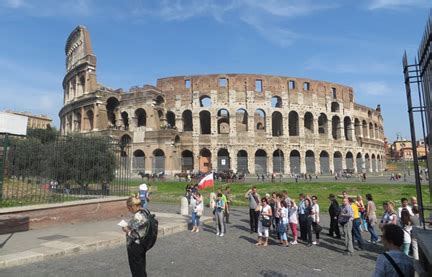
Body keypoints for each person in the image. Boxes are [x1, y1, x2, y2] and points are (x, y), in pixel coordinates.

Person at [123, 196, 149, 277]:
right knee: (141, 267)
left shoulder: (137, 216)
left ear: (133, 206)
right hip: (142, 245)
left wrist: (126, 230)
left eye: (129, 208)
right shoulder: (144, 212)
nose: (128, 210)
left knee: (136, 269)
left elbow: (135, 235)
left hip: (135, 246)